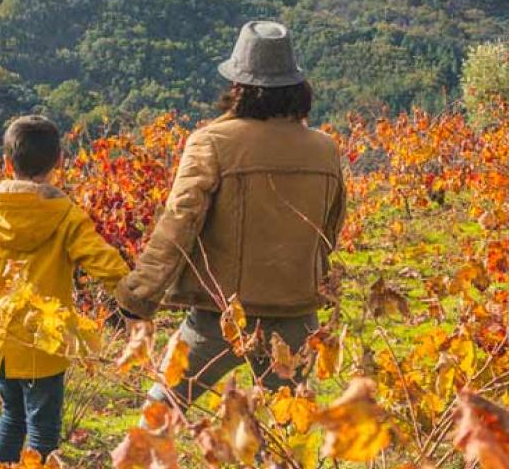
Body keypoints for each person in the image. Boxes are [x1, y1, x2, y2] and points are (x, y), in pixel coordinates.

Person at [115, 20, 346, 406]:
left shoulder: (211, 143)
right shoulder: (325, 149)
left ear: (238, 85)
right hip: (295, 311)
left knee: (160, 412)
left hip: (220, 315)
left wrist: (137, 296)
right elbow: (330, 229)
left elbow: (178, 224)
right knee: (288, 431)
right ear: (295, 86)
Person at [0, 115, 137, 464]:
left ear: (6, 163)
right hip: (44, 344)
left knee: (11, 418)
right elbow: (105, 264)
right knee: (43, 429)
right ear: (60, 161)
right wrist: (139, 298)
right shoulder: (66, 216)